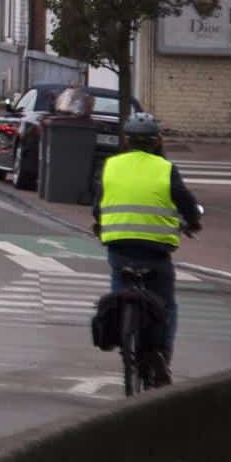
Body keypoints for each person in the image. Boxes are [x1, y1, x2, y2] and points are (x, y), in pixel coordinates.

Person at [92, 112, 201, 385]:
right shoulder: (165, 169)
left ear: (126, 140)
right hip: (155, 251)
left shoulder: (111, 166)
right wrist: (193, 222)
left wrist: (100, 223)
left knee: (120, 286)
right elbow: (186, 202)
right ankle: (161, 356)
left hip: (119, 246)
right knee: (167, 305)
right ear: (157, 141)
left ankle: (122, 332)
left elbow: (98, 206)